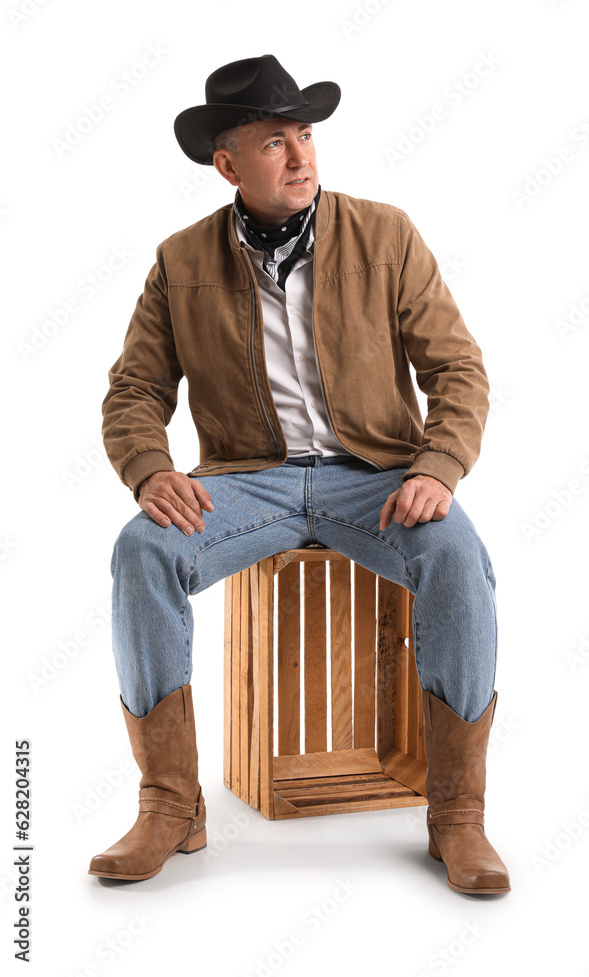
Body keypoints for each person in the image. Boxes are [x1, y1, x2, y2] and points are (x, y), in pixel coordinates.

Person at [89, 54, 510, 894]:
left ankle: (458, 818)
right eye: (274, 141)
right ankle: (171, 803)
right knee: (142, 549)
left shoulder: (384, 234)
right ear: (228, 164)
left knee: (458, 557)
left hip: (377, 477)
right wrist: (147, 470)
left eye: (306, 134)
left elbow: (458, 371)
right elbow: (134, 389)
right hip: (251, 483)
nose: (300, 156)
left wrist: (437, 466)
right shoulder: (180, 260)